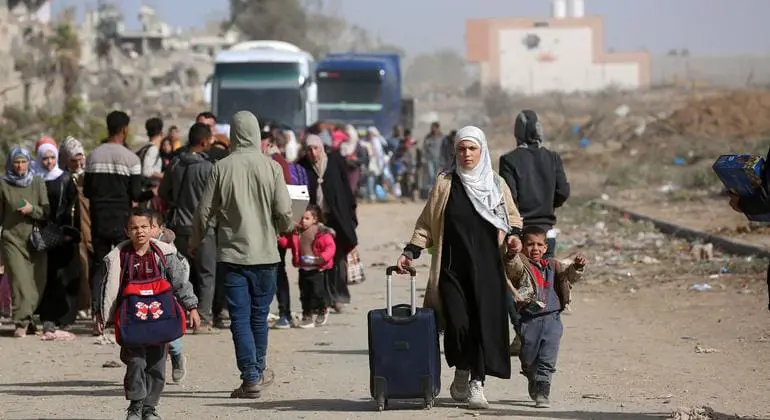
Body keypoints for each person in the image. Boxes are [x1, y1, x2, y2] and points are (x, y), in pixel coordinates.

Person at [396, 126, 523, 409]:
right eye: (461, 149)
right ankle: (462, 367)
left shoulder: (496, 184)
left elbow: (513, 218)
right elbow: (426, 223)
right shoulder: (446, 183)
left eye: (472, 148)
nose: (466, 154)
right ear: (455, 151)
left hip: (488, 271)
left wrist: (514, 237)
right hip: (452, 268)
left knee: (482, 324)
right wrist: (411, 251)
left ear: (482, 150)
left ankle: (477, 382)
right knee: (457, 323)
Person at [191, 111, 293, 399]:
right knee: (259, 317)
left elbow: (204, 211)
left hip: (233, 255)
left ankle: (250, 376)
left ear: (234, 134)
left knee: (239, 318)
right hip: (266, 255)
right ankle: (257, 371)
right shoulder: (272, 167)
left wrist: (196, 241)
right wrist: (284, 228)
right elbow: (284, 211)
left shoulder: (221, 167)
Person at [92, 208, 200, 420]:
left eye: (144, 227)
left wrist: (192, 307)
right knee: (136, 363)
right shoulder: (118, 257)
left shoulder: (164, 255)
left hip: (160, 320)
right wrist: (100, 315)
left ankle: (150, 408)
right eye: (134, 228)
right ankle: (136, 405)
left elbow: (180, 282)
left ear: (153, 229)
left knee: (157, 367)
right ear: (127, 231)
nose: (139, 231)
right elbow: (105, 288)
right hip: (131, 321)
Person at [498, 109, 571, 354]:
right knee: (545, 285)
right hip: (547, 234)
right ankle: (543, 334)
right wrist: (547, 207)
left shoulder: (509, 160)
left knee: (513, 285)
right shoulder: (553, 158)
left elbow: (509, 198)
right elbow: (563, 192)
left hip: (520, 236)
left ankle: (523, 332)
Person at [505, 225, 586, 408]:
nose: (535, 248)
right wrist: (511, 254)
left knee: (548, 357)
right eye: (530, 244)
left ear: (545, 247)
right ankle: (531, 375)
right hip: (529, 320)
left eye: (539, 245)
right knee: (528, 357)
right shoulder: (522, 265)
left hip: (552, 319)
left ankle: (543, 390)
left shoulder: (553, 265)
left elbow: (569, 277)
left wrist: (577, 266)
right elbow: (512, 267)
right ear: (523, 246)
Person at [84, 110, 155, 307]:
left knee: (99, 263)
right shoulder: (131, 158)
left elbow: (87, 191)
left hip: (99, 218)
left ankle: (97, 310)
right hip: (122, 221)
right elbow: (136, 194)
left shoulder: (93, 156)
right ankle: (123, 308)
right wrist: (152, 193)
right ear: (125, 130)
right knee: (124, 262)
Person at [159, 122, 217, 334]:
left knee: (181, 273)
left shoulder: (175, 163)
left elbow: (163, 193)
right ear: (203, 141)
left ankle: (181, 316)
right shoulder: (208, 168)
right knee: (206, 274)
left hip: (178, 226)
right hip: (203, 228)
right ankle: (203, 319)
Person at [298, 135, 358, 313]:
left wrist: (351, 214)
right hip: (315, 220)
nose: (312, 152)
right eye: (309, 149)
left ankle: (338, 296)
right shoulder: (302, 166)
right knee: (317, 258)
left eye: (315, 148)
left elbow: (345, 188)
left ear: (321, 148)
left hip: (336, 218)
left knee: (337, 258)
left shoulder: (334, 162)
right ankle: (323, 298)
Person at [0, 147, 49, 338]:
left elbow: (46, 212)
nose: (20, 166)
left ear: (29, 162)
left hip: (35, 241)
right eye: (16, 162)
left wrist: (32, 209)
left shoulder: (37, 182)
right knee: (19, 283)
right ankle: (20, 322)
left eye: (23, 162)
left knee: (36, 285)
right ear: (11, 164)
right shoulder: (3, 184)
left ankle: (28, 319)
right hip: (12, 240)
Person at [34, 142, 79, 335]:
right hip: (43, 233)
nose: (49, 162)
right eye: (45, 158)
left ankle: (66, 317)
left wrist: (70, 231)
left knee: (65, 275)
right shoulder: (35, 179)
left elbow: (73, 206)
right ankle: (48, 317)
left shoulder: (66, 178)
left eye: (52, 157)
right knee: (47, 275)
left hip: (63, 233)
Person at [277, 204, 336, 328]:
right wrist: (278, 238)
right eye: (301, 218)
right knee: (304, 295)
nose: (303, 221)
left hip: (317, 269)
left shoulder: (321, 233)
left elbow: (330, 247)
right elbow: (287, 243)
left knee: (318, 292)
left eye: (307, 218)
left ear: (315, 219)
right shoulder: (296, 233)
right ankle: (307, 316)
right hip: (303, 269)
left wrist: (321, 258)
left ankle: (323, 309)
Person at [148, 211, 189, 384]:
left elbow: (181, 276)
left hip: (167, 293)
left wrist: (187, 302)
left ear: (161, 228)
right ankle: (152, 370)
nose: (146, 231)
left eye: (151, 227)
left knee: (168, 332)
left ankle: (177, 356)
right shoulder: (133, 247)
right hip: (144, 295)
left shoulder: (167, 248)